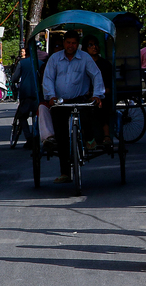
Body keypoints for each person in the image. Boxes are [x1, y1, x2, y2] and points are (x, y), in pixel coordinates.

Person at [42, 30, 104, 184]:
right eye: (68, 43)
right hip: (60, 101)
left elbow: (96, 75)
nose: (71, 46)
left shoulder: (85, 58)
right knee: (62, 136)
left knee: (88, 114)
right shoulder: (55, 59)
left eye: (74, 43)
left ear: (78, 44)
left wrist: (97, 94)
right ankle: (65, 173)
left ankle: (89, 139)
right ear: (64, 43)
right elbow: (48, 78)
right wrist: (51, 97)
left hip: (80, 98)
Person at [82, 34, 113, 146]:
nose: (94, 47)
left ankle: (107, 135)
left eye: (95, 44)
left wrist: (98, 94)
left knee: (101, 106)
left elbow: (109, 86)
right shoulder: (82, 64)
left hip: (102, 94)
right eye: (90, 45)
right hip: (85, 95)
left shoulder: (105, 64)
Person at [11, 48, 43, 149]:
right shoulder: (41, 63)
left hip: (26, 92)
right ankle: (36, 135)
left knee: (22, 116)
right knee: (37, 115)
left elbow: (15, 78)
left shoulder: (22, 63)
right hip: (38, 93)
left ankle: (28, 137)